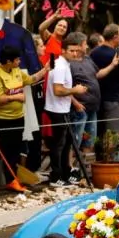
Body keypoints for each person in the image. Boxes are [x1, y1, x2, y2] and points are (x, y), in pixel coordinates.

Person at [0, 45, 48, 192]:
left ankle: (11, 180)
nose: (20, 61)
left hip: (18, 118)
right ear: (8, 61)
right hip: (1, 119)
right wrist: (17, 97)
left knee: (13, 151)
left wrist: (45, 70)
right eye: (17, 59)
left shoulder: (17, 72)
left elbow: (31, 79)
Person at [44, 39, 87, 187]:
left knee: (67, 143)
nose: (75, 53)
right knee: (58, 145)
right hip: (56, 110)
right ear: (63, 51)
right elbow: (58, 90)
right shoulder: (61, 67)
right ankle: (56, 176)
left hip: (63, 109)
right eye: (71, 50)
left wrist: (74, 101)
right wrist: (75, 90)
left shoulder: (64, 65)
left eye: (77, 50)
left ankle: (65, 173)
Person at [65, 32, 114, 153]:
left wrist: (113, 64)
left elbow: (97, 74)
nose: (87, 46)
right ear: (79, 45)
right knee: (75, 141)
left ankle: (84, 169)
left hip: (92, 108)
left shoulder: (87, 58)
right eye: (85, 43)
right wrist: (76, 104)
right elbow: (63, 88)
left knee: (89, 141)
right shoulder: (68, 63)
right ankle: (71, 168)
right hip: (79, 110)